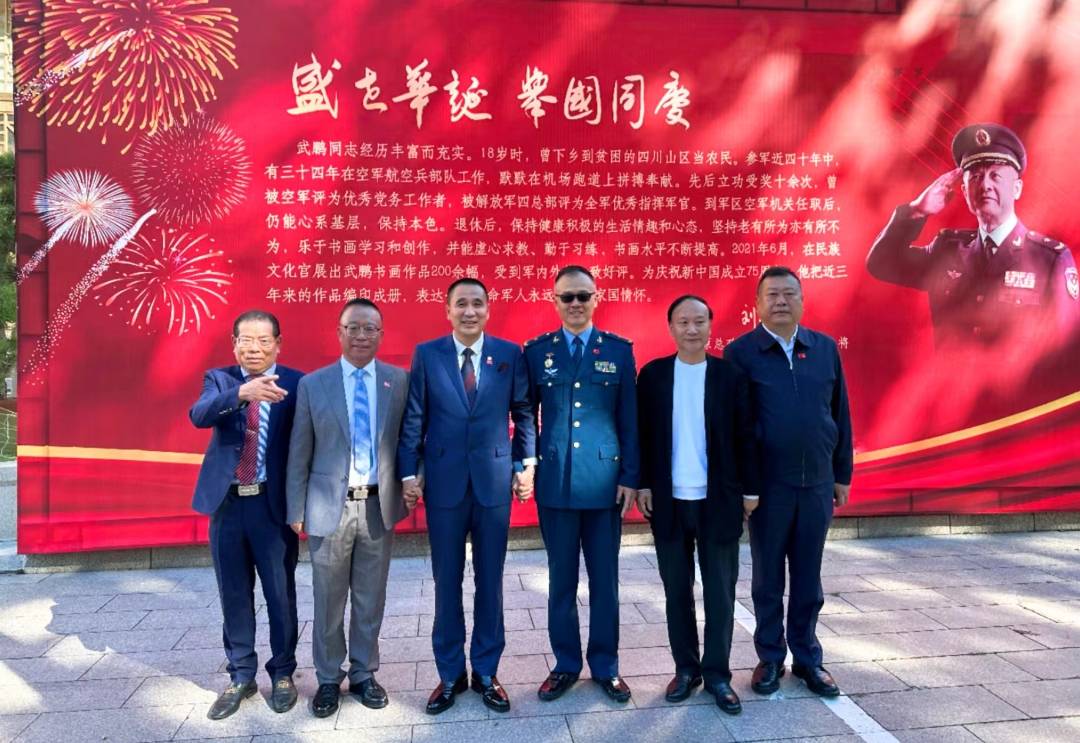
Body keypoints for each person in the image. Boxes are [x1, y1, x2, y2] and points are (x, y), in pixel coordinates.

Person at [397, 278, 535, 715]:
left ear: (488, 310)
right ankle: (450, 673)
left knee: (490, 581)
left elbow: (523, 412)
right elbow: (414, 417)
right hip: (445, 484)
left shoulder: (509, 354)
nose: (470, 311)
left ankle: (487, 672)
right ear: (448, 310)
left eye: (477, 303)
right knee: (447, 581)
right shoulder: (428, 354)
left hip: (493, 483)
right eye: (461, 304)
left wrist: (525, 465)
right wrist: (408, 474)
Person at [724, 266, 853, 698]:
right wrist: (745, 486)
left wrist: (841, 473)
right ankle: (770, 657)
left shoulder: (824, 348)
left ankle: (808, 658)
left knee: (808, 576)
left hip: (817, 482)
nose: (781, 301)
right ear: (757, 304)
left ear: (802, 300)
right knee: (767, 578)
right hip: (768, 488)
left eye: (789, 294)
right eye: (772, 295)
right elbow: (737, 427)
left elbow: (839, 412)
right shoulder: (741, 353)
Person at [636, 295, 760, 715]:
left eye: (699, 321)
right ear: (670, 327)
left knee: (720, 593)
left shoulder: (729, 376)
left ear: (710, 326)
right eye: (683, 322)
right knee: (677, 591)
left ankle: (718, 674)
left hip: (718, 500)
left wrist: (750, 490)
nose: (692, 329)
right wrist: (643, 483)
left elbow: (747, 437)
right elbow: (643, 436)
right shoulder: (653, 376)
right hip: (669, 501)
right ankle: (686, 670)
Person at [286, 298, 409, 718]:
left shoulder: (397, 380)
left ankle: (363, 673)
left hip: (377, 506)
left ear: (381, 334)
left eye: (369, 328)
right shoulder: (313, 384)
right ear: (338, 333)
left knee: (371, 598)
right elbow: (299, 451)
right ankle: (327, 678)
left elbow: (410, 439)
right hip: (328, 509)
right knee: (328, 599)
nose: (361, 335)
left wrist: (415, 480)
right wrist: (296, 507)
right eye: (352, 327)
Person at [523, 265, 640, 704]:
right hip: (556, 482)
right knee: (561, 581)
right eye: (567, 297)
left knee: (605, 581)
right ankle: (566, 665)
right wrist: (526, 464)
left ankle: (606, 666)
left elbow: (629, 419)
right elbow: (526, 416)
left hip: (605, 484)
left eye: (583, 296)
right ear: (554, 301)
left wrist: (631, 476)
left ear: (596, 299)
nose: (575, 304)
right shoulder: (537, 352)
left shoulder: (619, 351)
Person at [867, 122, 1079, 347]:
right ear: (965, 192)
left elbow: (1067, 350)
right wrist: (918, 210)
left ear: (1017, 188)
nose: (985, 185)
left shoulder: (1049, 259)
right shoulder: (947, 250)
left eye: (995, 176)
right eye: (976, 177)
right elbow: (882, 263)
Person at [190, 310, 302, 720]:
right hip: (228, 504)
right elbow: (199, 415)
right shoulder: (220, 380)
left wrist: (302, 505)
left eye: (263, 340)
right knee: (234, 593)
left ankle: (284, 672)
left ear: (278, 344)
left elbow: (305, 445)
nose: (255, 348)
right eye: (246, 340)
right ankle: (241, 674)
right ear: (234, 343)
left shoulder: (296, 383)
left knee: (279, 593)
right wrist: (243, 393)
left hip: (272, 506)